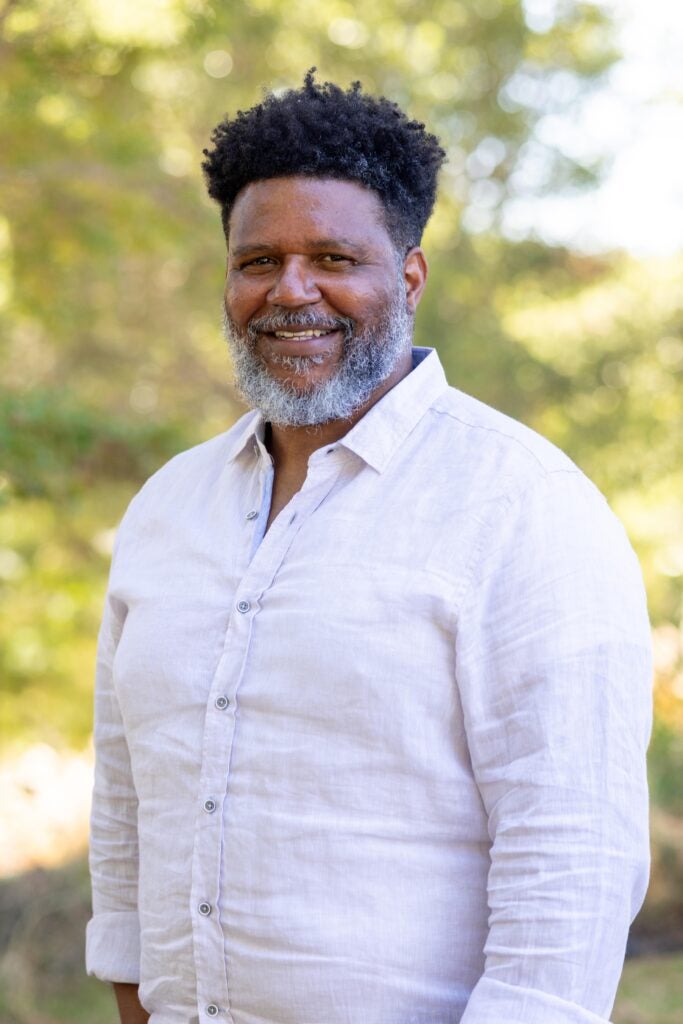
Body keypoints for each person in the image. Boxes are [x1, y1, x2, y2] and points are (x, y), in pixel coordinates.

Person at [86, 71, 652, 1024]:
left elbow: (571, 855)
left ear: (409, 276)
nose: (290, 291)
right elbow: (125, 803)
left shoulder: (524, 505)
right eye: (257, 261)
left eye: (334, 258)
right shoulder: (165, 508)